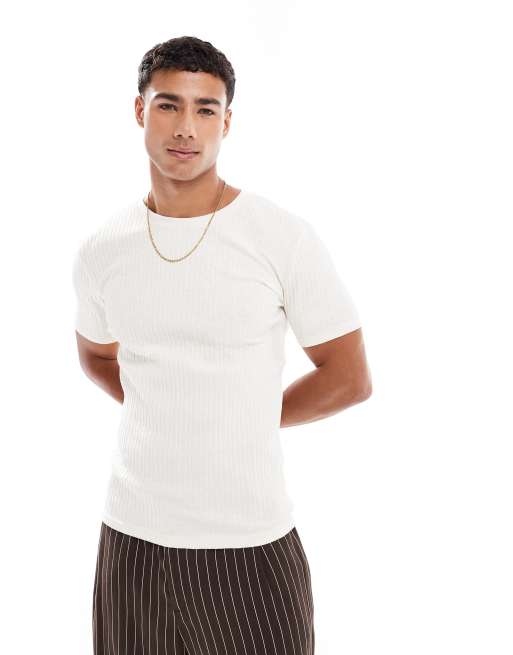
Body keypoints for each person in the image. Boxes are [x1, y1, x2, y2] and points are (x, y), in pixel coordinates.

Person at [72, 35, 372, 655]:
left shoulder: (278, 237)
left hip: (248, 547)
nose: (186, 127)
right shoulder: (104, 249)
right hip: (132, 543)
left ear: (226, 122)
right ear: (140, 110)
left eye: (205, 109)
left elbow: (348, 376)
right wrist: (167, 406)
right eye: (168, 105)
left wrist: (247, 414)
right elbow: (97, 354)